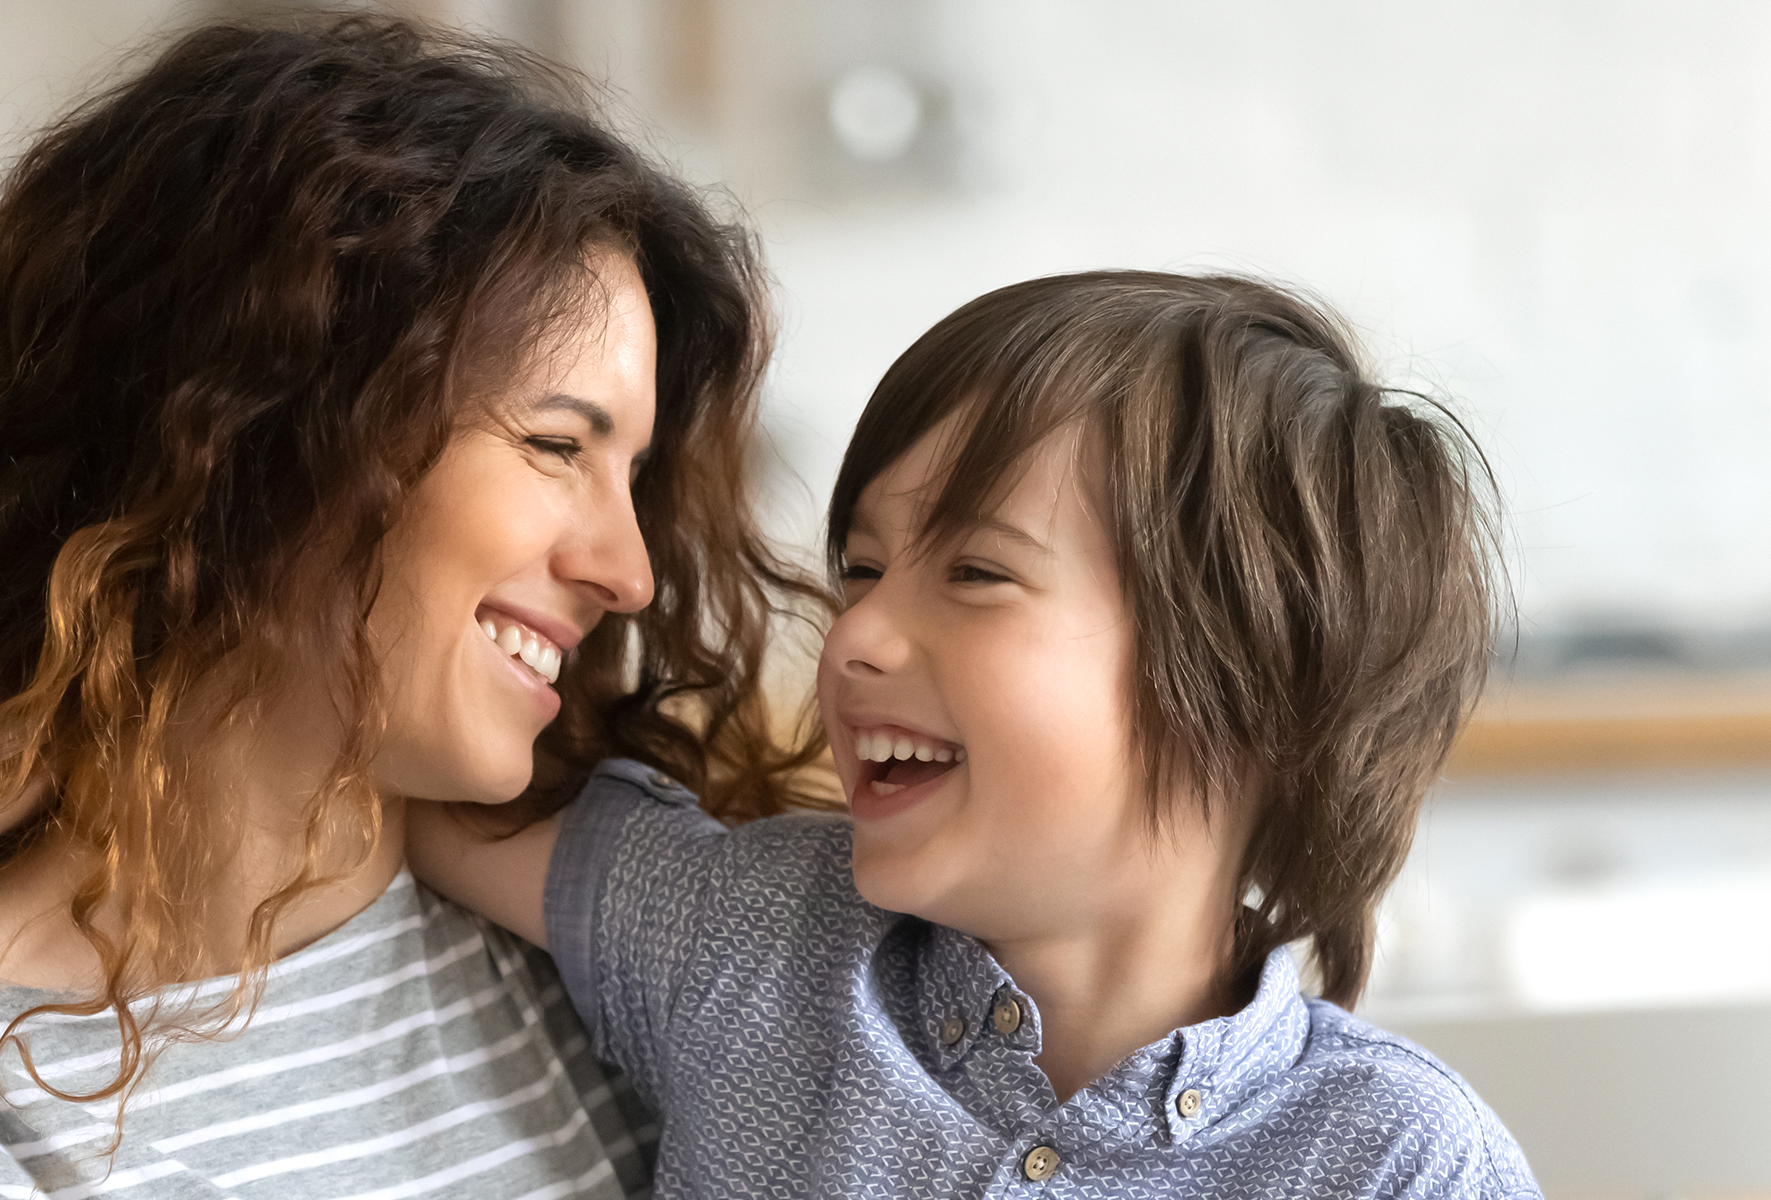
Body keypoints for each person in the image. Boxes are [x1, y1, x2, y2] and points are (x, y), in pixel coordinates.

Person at [0, 15, 830, 1200]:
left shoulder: (615, 976)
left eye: (636, 477)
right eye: (557, 446)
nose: (631, 571)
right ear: (273, 441)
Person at [410, 272, 1543, 1196]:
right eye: (860, 570)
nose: (853, 635)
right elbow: (410, 773)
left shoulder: (1400, 1162)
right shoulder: (749, 938)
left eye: (977, 572)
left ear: (1250, 684)